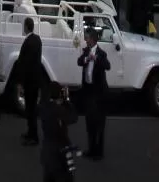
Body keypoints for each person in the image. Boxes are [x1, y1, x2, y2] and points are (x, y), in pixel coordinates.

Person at [77, 27, 109, 159]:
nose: (85, 40)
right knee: (89, 122)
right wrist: (87, 59)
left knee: (99, 123)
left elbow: (107, 66)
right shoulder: (86, 51)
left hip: (99, 93)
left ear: (93, 40)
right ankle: (91, 149)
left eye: (87, 38)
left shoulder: (101, 53)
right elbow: (79, 62)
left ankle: (98, 152)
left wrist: (96, 59)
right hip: (88, 92)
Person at [39, 81, 78, 182]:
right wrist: (67, 100)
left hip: (47, 151)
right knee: (67, 177)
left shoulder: (44, 107)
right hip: (60, 152)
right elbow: (73, 118)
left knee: (48, 177)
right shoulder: (58, 110)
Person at [15, 16, 44, 145]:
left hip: (30, 81)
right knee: (31, 108)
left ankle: (34, 136)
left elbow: (25, 64)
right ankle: (30, 132)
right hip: (35, 80)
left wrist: (20, 82)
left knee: (30, 109)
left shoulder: (28, 42)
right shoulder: (37, 40)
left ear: (26, 27)